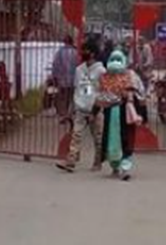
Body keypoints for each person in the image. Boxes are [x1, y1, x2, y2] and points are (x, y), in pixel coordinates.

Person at [56, 38, 106, 173]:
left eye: (85, 50)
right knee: (76, 135)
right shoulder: (79, 70)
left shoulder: (101, 71)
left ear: (93, 53)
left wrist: (96, 109)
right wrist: (71, 109)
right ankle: (71, 161)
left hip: (95, 109)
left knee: (98, 138)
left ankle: (97, 161)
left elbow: (103, 92)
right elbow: (77, 89)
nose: (82, 52)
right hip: (80, 108)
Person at [97, 49, 144, 181]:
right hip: (109, 113)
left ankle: (125, 168)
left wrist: (130, 96)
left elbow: (140, 92)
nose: (116, 62)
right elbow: (99, 94)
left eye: (119, 60)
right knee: (111, 140)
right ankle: (115, 166)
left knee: (126, 139)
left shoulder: (131, 75)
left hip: (124, 113)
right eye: (113, 60)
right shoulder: (104, 77)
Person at [50, 35, 78, 119]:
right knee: (71, 97)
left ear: (64, 42)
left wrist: (55, 77)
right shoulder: (75, 52)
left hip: (62, 80)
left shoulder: (59, 52)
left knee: (63, 97)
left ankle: (64, 113)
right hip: (73, 79)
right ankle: (70, 113)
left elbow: (55, 65)